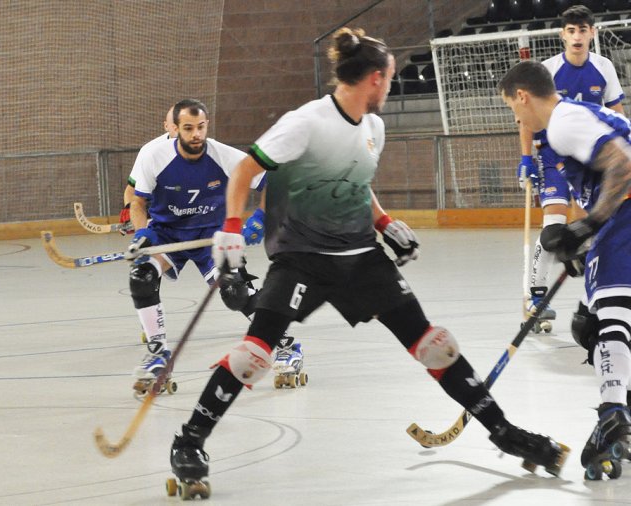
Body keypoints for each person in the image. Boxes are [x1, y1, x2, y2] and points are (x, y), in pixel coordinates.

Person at [166, 28, 569, 497]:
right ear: (375, 78)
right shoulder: (307, 122)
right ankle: (189, 441)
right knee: (254, 354)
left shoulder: (373, 127)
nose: (392, 86)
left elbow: (356, 182)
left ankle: (505, 432)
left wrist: (383, 222)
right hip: (302, 257)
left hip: (360, 256)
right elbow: (245, 170)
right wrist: (231, 231)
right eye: (391, 78)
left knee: (434, 346)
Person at [499, 60, 631, 477]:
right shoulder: (587, 114)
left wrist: (587, 225)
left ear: (522, 95)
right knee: (592, 323)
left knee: (608, 327)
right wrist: (582, 245)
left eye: (513, 110)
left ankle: (612, 414)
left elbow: (622, 165)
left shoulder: (562, 121)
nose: (517, 119)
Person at [516, 5, 631, 329]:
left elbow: (618, 114)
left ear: (592, 33)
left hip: (593, 158)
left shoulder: (604, 68)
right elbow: (526, 115)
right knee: (554, 226)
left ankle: (627, 288)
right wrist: (526, 158)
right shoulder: (546, 71)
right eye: (571, 31)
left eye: (583, 30)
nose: (577, 36)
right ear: (562, 35)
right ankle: (535, 295)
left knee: (609, 220)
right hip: (553, 155)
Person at [128, 98, 267, 390]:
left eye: (201, 127)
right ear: (175, 129)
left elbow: (272, 182)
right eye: (188, 128)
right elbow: (137, 202)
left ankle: (284, 343)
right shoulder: (153, 155)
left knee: (236, 293)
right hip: (168, 235)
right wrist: (143, 233)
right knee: (142, 277)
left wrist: (260, 218)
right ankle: (158, 354)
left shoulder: (223, 155)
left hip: (213, 238)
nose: (196, 135)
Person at [120, 106, 178, 235]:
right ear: (166, 126)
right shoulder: (149, 151)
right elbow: (131, 189)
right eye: (175, 125)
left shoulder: (206, 149)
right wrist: (131, 211)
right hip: (159, 212)